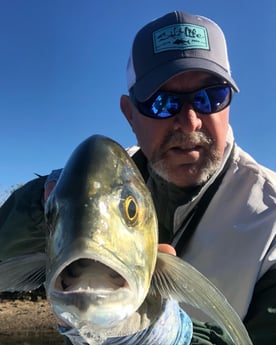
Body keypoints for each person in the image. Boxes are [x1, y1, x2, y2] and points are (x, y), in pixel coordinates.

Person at [0, 10, 275, 345]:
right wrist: (44, 210)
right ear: (130, 114)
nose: (190, 122)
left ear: (229, 105)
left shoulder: (271, 217)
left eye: (210, 96)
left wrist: (165, 337)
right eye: (162, 102)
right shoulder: (86, 186)